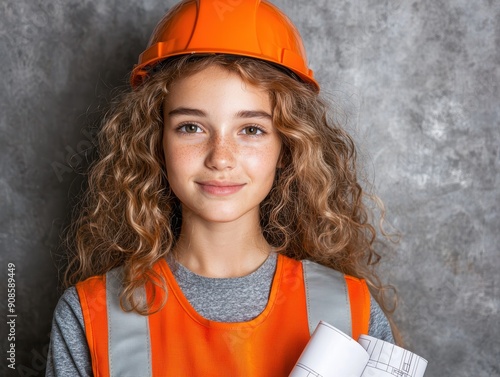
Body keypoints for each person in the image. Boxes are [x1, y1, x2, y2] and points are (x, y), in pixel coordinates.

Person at [47, 0, 398, 376]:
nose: (220, 157)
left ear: (287, 146)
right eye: (191, 127)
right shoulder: (90, 316)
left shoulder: (351, 309)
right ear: (155, 141)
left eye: (251, 130)